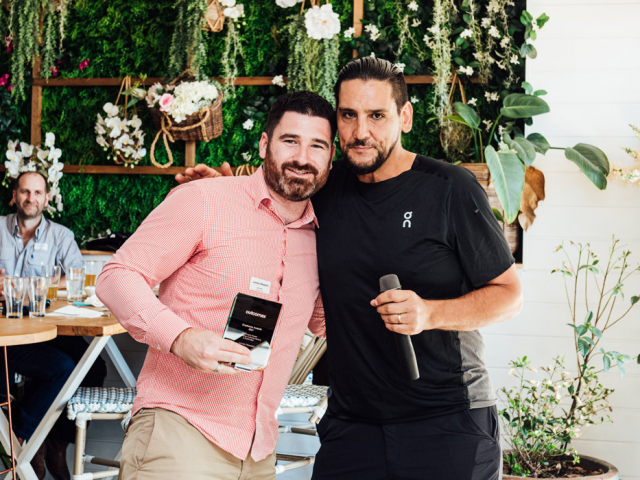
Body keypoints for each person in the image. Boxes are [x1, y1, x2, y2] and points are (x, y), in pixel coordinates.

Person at [179, 57, 523, 480]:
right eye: (349, 115)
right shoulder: (325, 186)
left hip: (447, 420)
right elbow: (271, 207)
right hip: (351, 424)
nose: (361, 132)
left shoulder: (449, 188)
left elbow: (509, 294)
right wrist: (227, 191)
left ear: (405, 117)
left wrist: (431, 313)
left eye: (377, 115)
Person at [96, 91, 335, 480]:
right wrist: (181, 337)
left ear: (330, 158)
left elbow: (325, 323)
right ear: (264, 144)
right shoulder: (204, 200)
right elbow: (116, 276)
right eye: (290, 140)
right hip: (180, 434)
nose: (302, 158)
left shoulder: (322, 235)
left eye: (317, 146)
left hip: (258, 453)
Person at [0, 171, 107, 480]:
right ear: (15, 195)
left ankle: (56, 442)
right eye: (24, 191)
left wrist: (38, 283)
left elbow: (76, 275)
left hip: (45, 325)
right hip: (8, 330)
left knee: (92, 367)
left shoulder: (61, 235)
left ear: (47, 198)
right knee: (61, 366)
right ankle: (24, 434)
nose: (30, 198)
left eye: (37, 192)